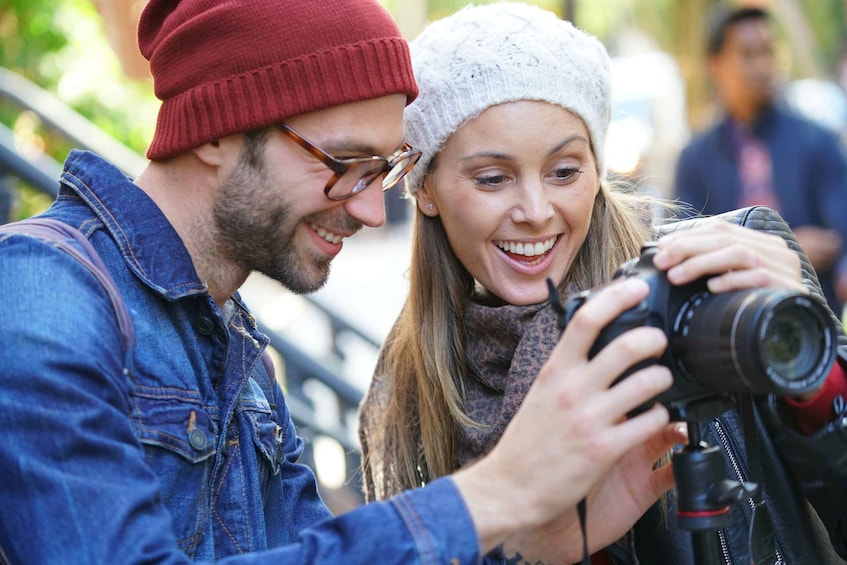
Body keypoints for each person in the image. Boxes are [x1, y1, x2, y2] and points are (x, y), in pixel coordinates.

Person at [0, 0, 687, 563]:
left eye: (382, 169)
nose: (366, 208)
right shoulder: (41, 291)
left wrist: (533, 546)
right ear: (215, 130)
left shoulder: (233, 341)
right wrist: (495, 494)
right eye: (346, 162)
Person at [358, 3, 847, 564]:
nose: (537, 210)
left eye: (565, 171)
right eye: (492, 179)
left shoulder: (720, 285)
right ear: (425, 190)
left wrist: (812, 370)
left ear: (596, 168)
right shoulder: (413, 390)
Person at [674, 5, 847, 318]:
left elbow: (839, 235)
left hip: (815, 316)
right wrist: (790, 246)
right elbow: (684, 249)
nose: (763, 66)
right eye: (748, 54)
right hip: (728, 324)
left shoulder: (818, 142)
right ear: (715, 65)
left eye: (769, 52)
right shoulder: (695, 160)